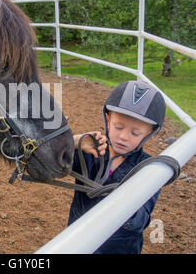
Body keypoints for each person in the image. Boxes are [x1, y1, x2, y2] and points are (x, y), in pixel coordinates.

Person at [68, 80, 167, 254]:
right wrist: (74, 143)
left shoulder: (150, 171)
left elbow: (141, 220)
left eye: (135, 133)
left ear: (149, 133)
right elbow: (53, 165)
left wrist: (124, 205)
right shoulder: (90, 151)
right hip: (76, 241)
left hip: (117, 250)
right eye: (118, 127)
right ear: (108, 119)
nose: (123, 137)